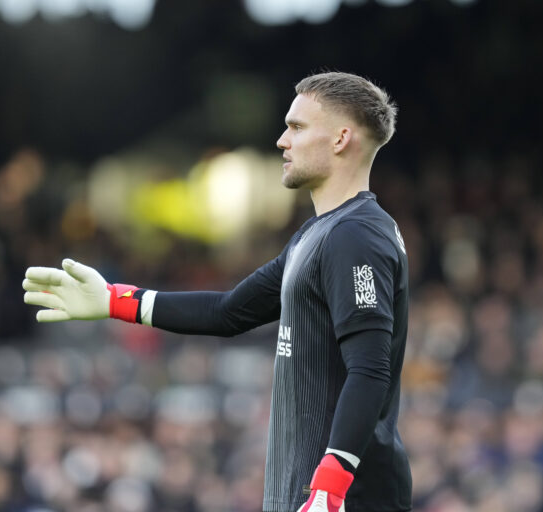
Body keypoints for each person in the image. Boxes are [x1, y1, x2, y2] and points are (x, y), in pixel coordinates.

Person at [23, 71, 411, 512]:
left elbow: (370, 371)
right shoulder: (318, 235)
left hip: (348, 501)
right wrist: (116, 300)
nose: (282, 140)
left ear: (341, 138)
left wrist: (330, 488)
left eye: (297, 127)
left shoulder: (357, 235)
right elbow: (228, 312)